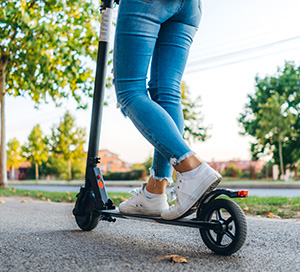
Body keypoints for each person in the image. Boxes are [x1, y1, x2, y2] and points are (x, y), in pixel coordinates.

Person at [113, 0, 221, 220]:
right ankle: (155, 192)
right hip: (190, 7)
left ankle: (191, 167)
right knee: (166, 92)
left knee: (130, 90)